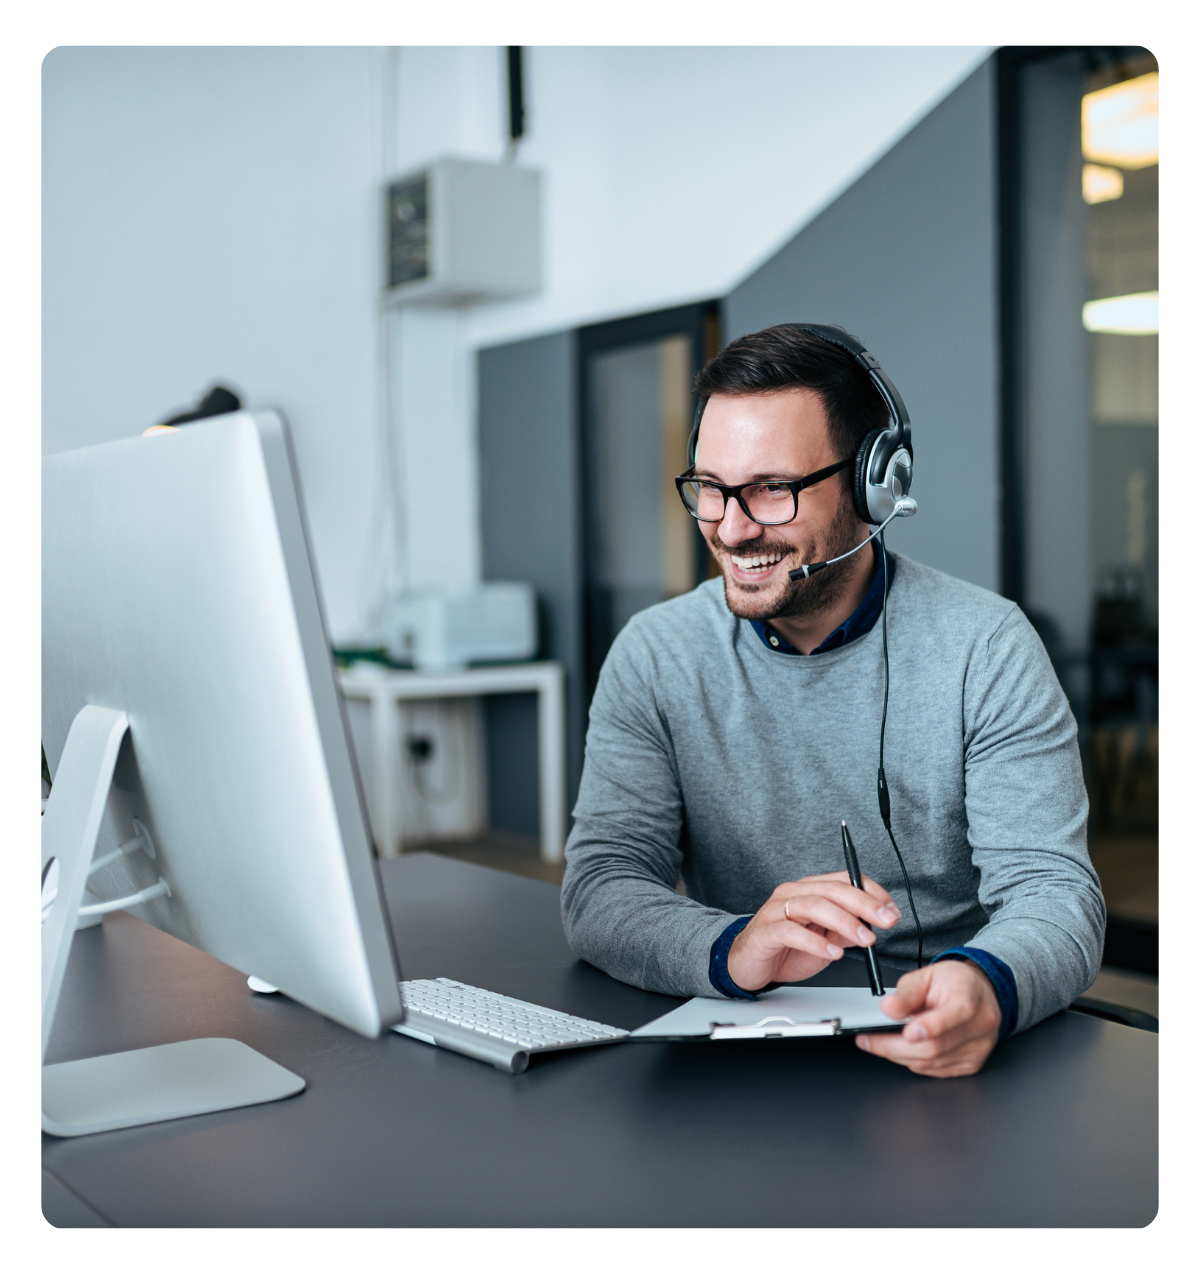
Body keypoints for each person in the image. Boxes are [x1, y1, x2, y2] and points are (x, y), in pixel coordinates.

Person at [561, 324, 1103, 1078]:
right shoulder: (655, 654)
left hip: (942, 1044)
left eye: (772, 490)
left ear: (872, 484)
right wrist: (733, 945)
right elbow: (602, 885)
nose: (732, 526)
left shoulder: (986, 646)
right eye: (711, 488)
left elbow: (1056, 893)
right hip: (746, 1045)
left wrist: (985, 983)